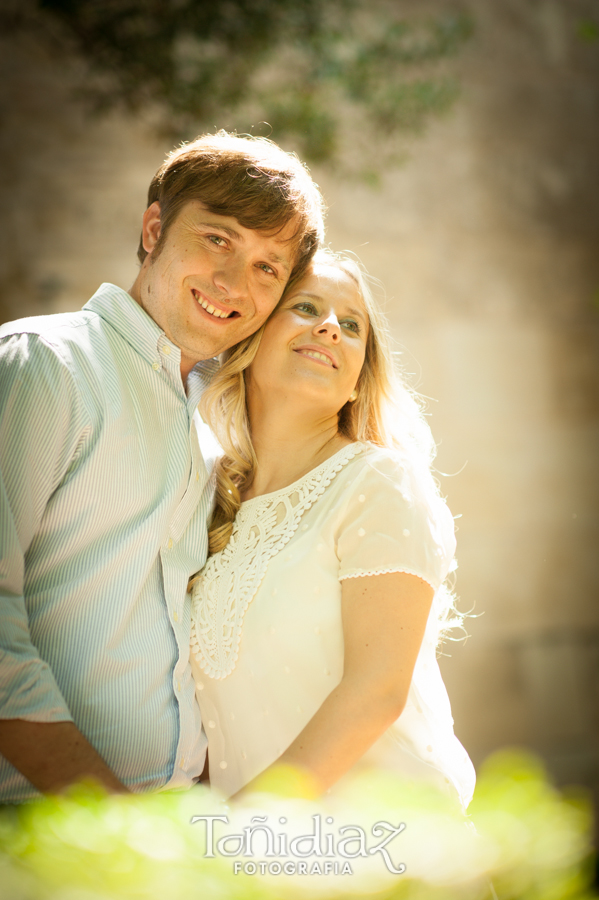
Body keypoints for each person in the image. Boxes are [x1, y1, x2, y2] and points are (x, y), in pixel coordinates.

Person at [0, 131, 325, 802]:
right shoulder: (44, 364)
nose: (234, 283)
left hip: (169, 826)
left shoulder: (210, 415)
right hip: (45, 827)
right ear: (153, 228)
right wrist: (104, 815)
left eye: (268, 266)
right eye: (218, 240)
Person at [189, 249, 476, 807]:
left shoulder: (377, 483)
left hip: (386, 862)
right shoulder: (209, 503)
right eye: (306, 307)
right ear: (251, 338)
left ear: (356, 382)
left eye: (351, 326)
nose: (330, 327)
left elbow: (376, 693)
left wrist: (239, 832)